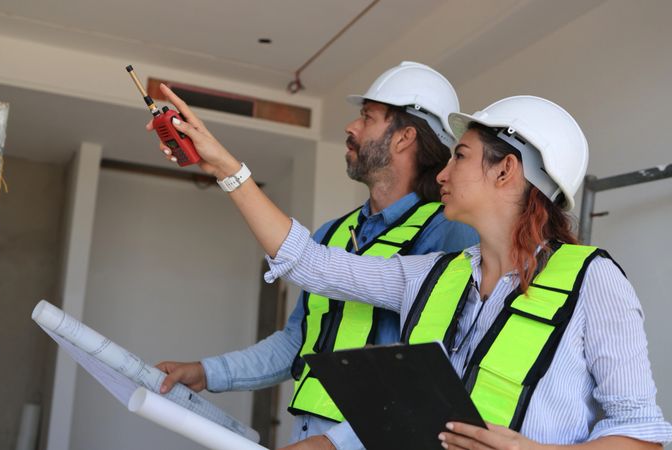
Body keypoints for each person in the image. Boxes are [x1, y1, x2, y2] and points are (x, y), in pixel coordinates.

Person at [157, 89, 672, 449]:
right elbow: (310, 264)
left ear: (505, 170)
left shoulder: (592, 281)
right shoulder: (433, 274)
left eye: (461, 157)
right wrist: (228, 169)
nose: (442, 172)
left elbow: (641, 432)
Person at [154, 62, 478, 449]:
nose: (351, 128)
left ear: (404, 137)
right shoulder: (333, 233)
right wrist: (207, 372)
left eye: (367, 117)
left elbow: (439, 373)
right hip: (310, 435)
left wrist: (336, 443)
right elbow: (298, 341)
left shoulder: (447, 233)